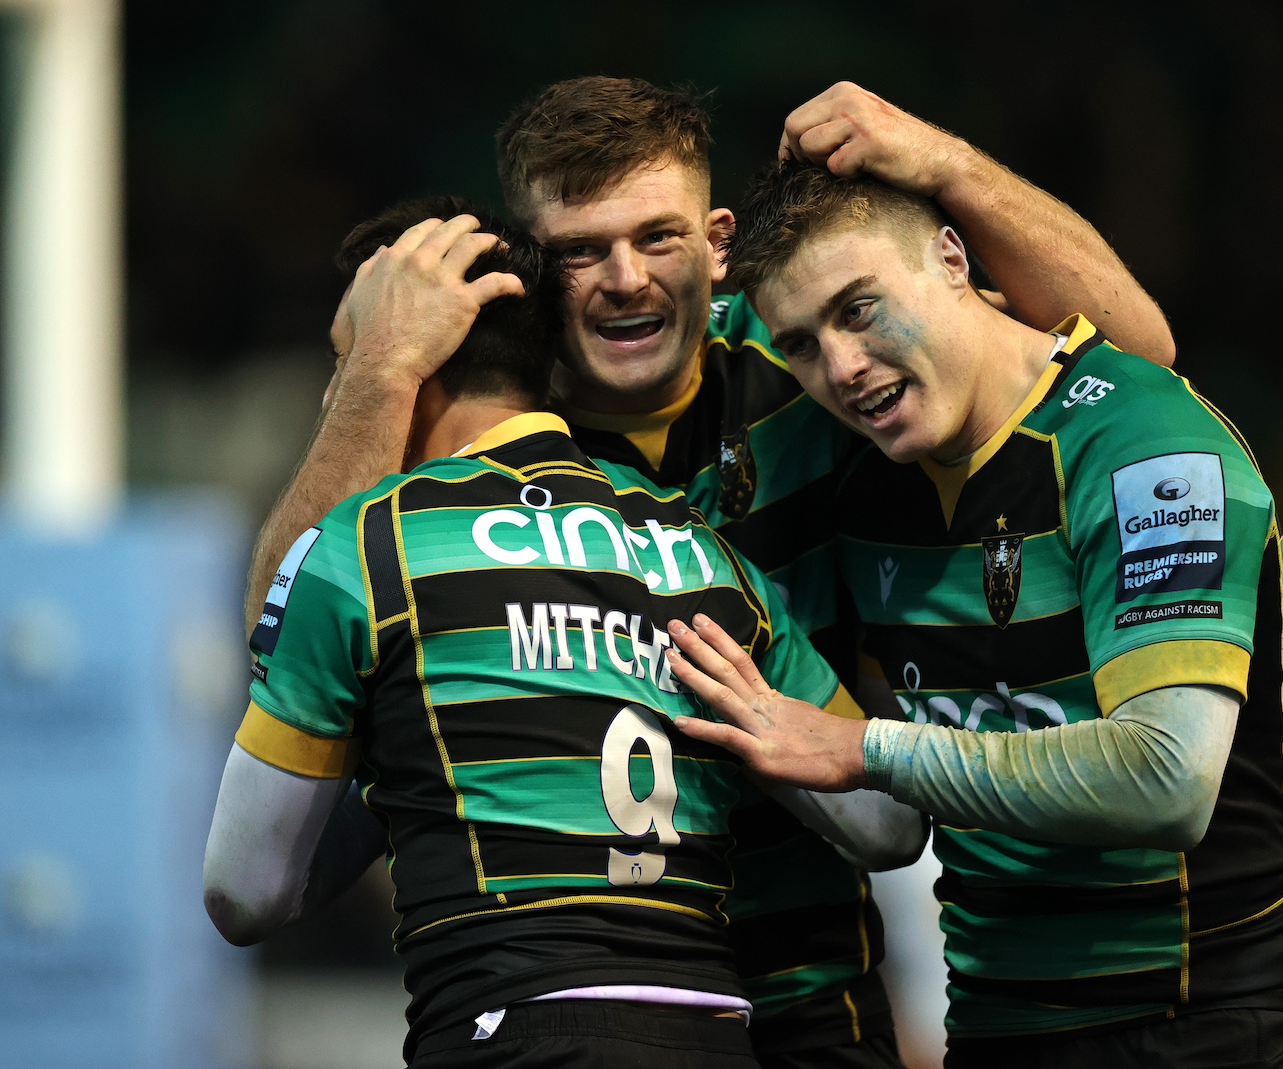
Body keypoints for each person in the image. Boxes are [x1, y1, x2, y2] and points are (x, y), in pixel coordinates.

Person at [242, 77, 1177, 1068]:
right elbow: (282, 637)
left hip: (811, 973)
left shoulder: (813, 354)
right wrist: (381, 368)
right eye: (581, 251)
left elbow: (1132, 362)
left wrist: (945, 163)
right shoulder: (472, 422)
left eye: (658, 237)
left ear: (718, 241)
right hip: (580, 986)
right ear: (534, 271)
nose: (626, 278)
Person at [204, 202, 924, 1068]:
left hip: (511, 1028)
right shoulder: (699, 549)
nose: (335, 393)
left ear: (411, 357)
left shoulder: (368, 545)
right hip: (713, 1032)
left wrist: (398, 772)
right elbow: (888, 826)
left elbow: (244, 893)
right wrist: (757, 721)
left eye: (344, 360)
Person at [667, 160, 1283, 1068]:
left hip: (1213, 1024)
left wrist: (865, 747)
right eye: (800, 344)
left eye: (859, 309)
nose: (842, 367)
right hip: (992, 1026)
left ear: (953, 259)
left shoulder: (1145, 442)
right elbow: (891, 824)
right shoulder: (869, 492)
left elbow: (1167, 778)